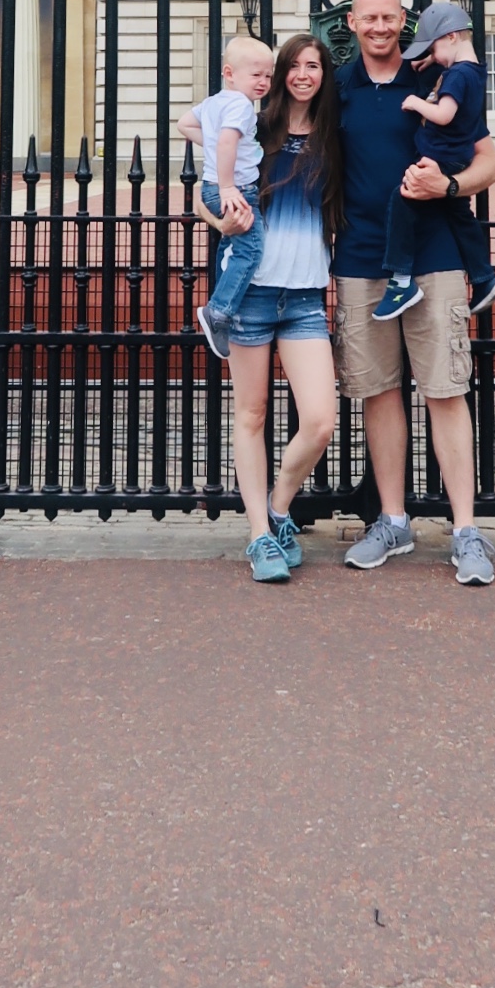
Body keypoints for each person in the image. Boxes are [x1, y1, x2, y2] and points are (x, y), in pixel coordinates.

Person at [331, 0, 495, 587]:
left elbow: (489, 160)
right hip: (360, 257)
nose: (379, 27)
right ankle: (393, 520)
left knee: (445, 390)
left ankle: (466, 529)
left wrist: (449, 186)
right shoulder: (337, 87)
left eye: (389, 17)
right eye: (369, 18)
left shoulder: (434, 77)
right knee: (379, 393)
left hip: (433, 254)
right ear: (352, 23)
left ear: (403, 21)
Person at [181, 35, 342, 582]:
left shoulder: (332, 134)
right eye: (292, 65)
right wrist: (220, 223)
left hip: (305, 295)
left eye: (313, 66)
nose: (302, 75)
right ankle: (258, 535)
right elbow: (204, 193)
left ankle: (277, 507)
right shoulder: (252, 125)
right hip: (250, 294)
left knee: (319, 421)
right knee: (250, 415)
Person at [372, 1, 495, 322]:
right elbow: (453, 60)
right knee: (460, 216)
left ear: (451, 36)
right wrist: (433, 58)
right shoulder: (473, 70)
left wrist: (416, 102)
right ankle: (484, 278)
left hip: (440, 157)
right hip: (458, 158)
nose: (433, 55)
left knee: (402, 201)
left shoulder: (456, 75)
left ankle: (401, 281)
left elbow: (444, 114)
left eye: (433, 47)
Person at [190, 34, 275, 360]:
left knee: (232, 246)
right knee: (251, 250)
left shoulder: (214, 102)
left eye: (268, 75)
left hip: (212, 187)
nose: (263, 82)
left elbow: (185, 124)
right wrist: (228, 185)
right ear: (229, 73)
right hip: (234, 190)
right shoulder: (240, 105)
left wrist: (215, 146)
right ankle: (219, 311)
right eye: (256, 75)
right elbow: (226, 142)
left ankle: (223, 304)